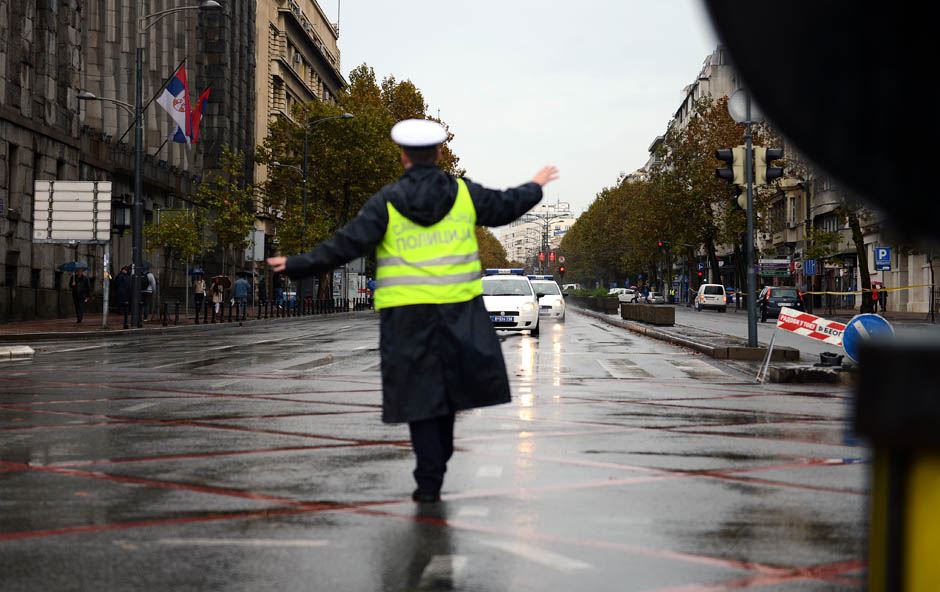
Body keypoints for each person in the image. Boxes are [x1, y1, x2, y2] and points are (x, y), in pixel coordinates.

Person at [268, 119, 558, 503]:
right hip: (459, 314)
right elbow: (506, 206)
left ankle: (428, 477)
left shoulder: (386, 201)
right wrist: (535, 185)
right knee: (451, 390)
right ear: (438, 154)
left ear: (403, 155)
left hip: (406, 319)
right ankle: (437, 463)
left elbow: (345, 244)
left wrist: (297, 263)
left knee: (421, 396)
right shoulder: (463, 194)